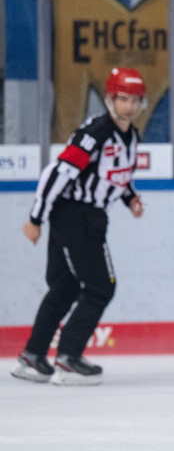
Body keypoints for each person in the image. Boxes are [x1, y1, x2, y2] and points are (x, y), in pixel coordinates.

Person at [12, 67, 147, 386]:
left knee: (66, 287)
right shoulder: (96, 132)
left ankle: (33, 357)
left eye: (135, 100)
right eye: (122, 99)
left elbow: (115, 175)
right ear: (110, 99)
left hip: (81, 216)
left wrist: (130, 199)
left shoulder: (130, 135)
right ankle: (69, 358)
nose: (129, 106)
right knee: (102, 287)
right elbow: (56, 174)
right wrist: (35, 218)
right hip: (77, 217)